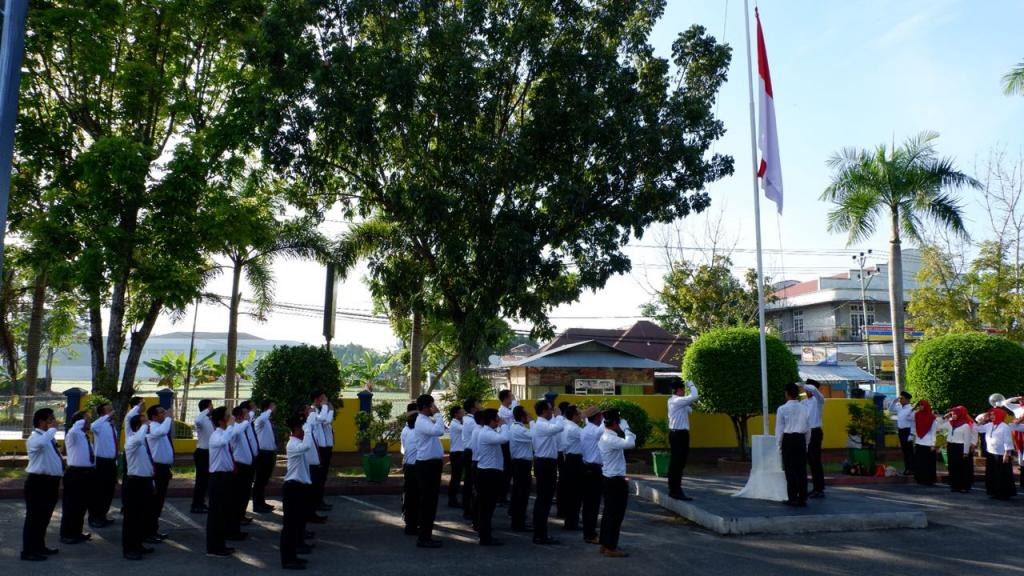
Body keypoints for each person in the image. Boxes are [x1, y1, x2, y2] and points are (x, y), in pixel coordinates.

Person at [21, 408, 63, 561]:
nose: (55, 422)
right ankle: (28, 551)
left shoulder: (48, 438)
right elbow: (40, 443)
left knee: (44, 518)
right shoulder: (34, 438)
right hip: (38, 483)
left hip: (50, 483)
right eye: (51, 419)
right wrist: (52, 430)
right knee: (34, 519)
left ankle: (39, 546)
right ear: (41, 422)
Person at [598, 409, 635, 558]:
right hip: (615, 481)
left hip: (609, 478)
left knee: (608, 513)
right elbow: (630, 443)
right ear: (614, 424)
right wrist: (626, 428)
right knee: (616, 515)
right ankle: (611, 547)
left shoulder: (604, 433)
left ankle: (605, 543)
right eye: (618, 422)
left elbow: (604, 421)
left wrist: (615, 421)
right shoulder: (610, 438)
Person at [281, 412, 315, 570]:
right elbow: (307, 446)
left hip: (298, 487)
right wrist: (308, 430)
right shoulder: (293, 444)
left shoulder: (296, 443)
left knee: (295, 524)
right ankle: (287, 560)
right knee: (289, 526)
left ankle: (293, 556)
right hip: (293, 487)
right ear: (296, 428)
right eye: (301, 427)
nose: (303, 429)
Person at [413, 394, 446, 548]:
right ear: (426, 407)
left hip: (431, 465)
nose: (434, 408)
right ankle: (424, 537)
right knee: (427, 502)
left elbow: (439, 430)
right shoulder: (422, 422)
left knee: (431, 502)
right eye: (432, 405)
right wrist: (438, 413)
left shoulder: (426, 421)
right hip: (426, 466)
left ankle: (427, 536)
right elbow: (439, 431)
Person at [123, 413, 155, 560]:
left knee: (142, 516)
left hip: (145, 482)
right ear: (137, 426)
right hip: (135, 483)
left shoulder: (142, 442)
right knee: (132, 518)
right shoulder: (131, 441)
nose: (148, 424)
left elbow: (146, 464)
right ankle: (130, 549)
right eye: (144, 423)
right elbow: (137, 437)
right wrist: (144, 425)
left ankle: (138, 544)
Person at [475, 408, 509, 546]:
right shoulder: (486, 433)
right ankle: (485, 537)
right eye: (497, 418)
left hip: (489, 472)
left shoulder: (488, 432)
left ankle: (486, 535)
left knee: (488, 507)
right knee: (487, 507)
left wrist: (501, 426)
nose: (499, 420)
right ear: (491, 420)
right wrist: (504, 425)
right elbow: (504, 439)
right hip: (488, 474)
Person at [206, 406, 236, 557]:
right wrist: (231, 426)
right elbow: (223, 442)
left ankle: (221, 545)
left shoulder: (225, 433)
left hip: (226, 477)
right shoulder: (216, 436)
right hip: (218, 478)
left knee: (223, 513)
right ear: (220, 420)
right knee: (216, 514)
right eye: (228, 416)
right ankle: (213, 548)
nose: (231, 417)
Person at [531, 400, 562, 545]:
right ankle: (540, 534)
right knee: (544, 500)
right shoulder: (541, 425)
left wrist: (556, 416)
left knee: (544, 499)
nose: (552, 412)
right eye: (550, 410)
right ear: (544, 411)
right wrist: (560, 415)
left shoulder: (544, 424)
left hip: (545, 463)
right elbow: (559, 427)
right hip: (545, 464)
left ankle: (540, 532)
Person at [61, 411, 94, 545]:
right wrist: (81, 420)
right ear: (79, 422)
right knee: (71, 506)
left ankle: (76, 532)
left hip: (86, 473)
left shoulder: (84, 436)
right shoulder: (73, 434)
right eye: (88, 419)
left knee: (81, 506)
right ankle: (67, 534)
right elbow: (75, 428)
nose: (90, 422)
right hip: (75, 474)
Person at [775, 383, 810, 506]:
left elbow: (779, 430)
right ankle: (803, 498)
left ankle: (792, 498)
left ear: (787, 394)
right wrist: (806, 444)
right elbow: (808, 428)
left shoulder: (782, 409)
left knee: (790, 471)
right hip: (800, 439)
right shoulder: (805, 408)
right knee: (801, 470)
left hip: (788, 441)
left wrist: (779, 446)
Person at [145, 405, 174, 543]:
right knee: (154, 502)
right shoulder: (154, 427)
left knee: (158, 501)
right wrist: (169, 418)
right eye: (162, 413)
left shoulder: (158, 426)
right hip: (157, 469)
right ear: (154, 416)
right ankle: (149, 532)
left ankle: (153, 530)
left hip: (163, 469)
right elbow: (163, 432)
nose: (165, 414)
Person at [227, 404, 256, 540]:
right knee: (237, 498)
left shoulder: (243, 427)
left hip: (247, 466)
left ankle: (239, 521)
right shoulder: (235, 428)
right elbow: (238, 429)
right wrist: (245, 420)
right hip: (240, 467)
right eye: (245, 414)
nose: (248, 415)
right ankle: (233, 529)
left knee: (244, 495)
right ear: (238, 416)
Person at [667, 380, 699, 501]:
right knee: (678, 463)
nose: (684, 391)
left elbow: (690, 410)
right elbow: (695, 396)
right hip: (678, 435)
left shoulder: (675, 401)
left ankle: (673, 489)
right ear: (678, 390)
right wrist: (691, 384)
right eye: (682, 389)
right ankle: (675, 490)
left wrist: (688, 402)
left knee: (678, 463)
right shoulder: (676, 400)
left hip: (679, 434)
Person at [89, 401, 118, 528]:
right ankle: (94, 518)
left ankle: (102, 515)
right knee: (98, 492)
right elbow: (92, 426)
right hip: (101, 462)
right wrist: (106, 417)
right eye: (109, 410)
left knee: (108, 491)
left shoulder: (110, 425)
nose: (112, 411)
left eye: (112, 409)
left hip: (111, 462)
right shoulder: (99, 425)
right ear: (102, 413)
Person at [976, 409, 1015, 500]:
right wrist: (982, 420)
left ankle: (1003, 493)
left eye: (994, 415)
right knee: (992, 473)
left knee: (1001, 474)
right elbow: (977, 428)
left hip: (1001, 454)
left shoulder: (1004, 427)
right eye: (991, 415)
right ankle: (994, 491)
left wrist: (1006, 454)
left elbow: (1007, 441)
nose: (992, 417)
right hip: (991, 452)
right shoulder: (989, 425)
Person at [580, 406, 604, 545]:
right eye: (600, 415)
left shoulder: (587, 429)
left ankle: (589, 533)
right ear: (597, 416)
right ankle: (590, 534)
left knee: (590, 504)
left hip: (589, 468)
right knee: (592, 505)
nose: (602, 418)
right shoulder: (594, 431)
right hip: (593, 469)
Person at [508, 405, 534, 532]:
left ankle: (519, 520)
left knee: (520, 493)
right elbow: (534, 436)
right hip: (521, 464)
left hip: (521, 464)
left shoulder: (518, 427)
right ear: (522, 416)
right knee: (521, 494)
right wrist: (532, 421)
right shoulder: (519, 429)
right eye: (526, 414)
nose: (528, 416)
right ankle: (518, 523)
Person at [309, 392, 335, 512]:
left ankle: (319, 501)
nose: (326, 400)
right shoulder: (312, 411)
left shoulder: (318, 411)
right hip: (318, 448)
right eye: (323, 398)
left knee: (322, 477)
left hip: (324, 448)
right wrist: (326, 407)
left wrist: (330, 410)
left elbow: (327, 420)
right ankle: (315, 502)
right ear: (317, 399)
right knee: (318, 478)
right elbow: (323, 419)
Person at [941, 406, 976, 493]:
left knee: (962, 467)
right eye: (952, 413)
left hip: (960, 447)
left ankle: (963, 486)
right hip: (951, 446)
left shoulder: (966, 425)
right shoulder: (950, 423)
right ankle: (954, 485)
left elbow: (967, 440)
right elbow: (938, 427)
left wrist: (965, 452)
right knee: (952, 466)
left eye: (955, 413)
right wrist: (944, 417)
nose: (953, 415)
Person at [560, 405, 584, 530]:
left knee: (570, 492)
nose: (581, 416)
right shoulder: (574, 429)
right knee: (575, 493)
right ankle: (572, 521)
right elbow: (588, 437)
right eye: (579, 414)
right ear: (574, 416)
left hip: (568, 459)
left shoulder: (565, 425)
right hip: (575, 460)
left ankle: (571, 520)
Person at [802, 380, 826, 498]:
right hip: (806, 433)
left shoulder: (819, 400)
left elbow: (815, 391)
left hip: (815, 432)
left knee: (815, 461)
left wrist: (802, 384)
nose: (806, 391)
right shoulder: (804, 402)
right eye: (805, 389)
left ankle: (819, 489)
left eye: (808, 389)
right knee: (810, 462)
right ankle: (815, 487)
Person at [253, 400, 277, 514]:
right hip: (263, 454)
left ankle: (261, 502)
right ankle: (257, 505)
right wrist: (269, 410)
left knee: (264, 480)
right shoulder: (260, 420)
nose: (275, 408)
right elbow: (262, 418)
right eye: (273, 406)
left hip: (269, 453)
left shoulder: (267, 420)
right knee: (260, 480)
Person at [400, 403, 419, 536]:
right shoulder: (413, 431)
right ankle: (411, 522)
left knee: (410, 494)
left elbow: (403, 449)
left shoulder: (406, 430)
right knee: (413, 496)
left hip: (409, 464)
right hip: (414, 466)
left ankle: (409, 518)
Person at [191, 399, 214, 513]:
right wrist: (206, 411)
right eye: (211, 405)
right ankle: (196, 505)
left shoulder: (210, 419)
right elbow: (197, 420)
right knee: (201, 481)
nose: (213, 407)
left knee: (205, 482)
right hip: (202, 453)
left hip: (210, 453)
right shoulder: (202, 419)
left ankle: (201, 503)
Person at [912, 400, 940, 486]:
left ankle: (929, 480)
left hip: (928, 444)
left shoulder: (932, 418)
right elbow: (915, 427)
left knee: (928, 463)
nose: (920, 407)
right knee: (919, 462)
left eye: (922, 405)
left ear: (926, 406)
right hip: (919, 442)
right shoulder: (917, 415)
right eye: (919, 405)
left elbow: (934, 432)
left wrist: (933, 444)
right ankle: (920, 479)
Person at [461, 399, 480, 521]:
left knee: (470, 482)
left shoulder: (469, 420)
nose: (480, 405)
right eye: (478, 403)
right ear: (473, 408)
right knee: (470, 483)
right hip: (470, 453)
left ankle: (468, 509)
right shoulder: (471, 422)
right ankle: (468, 510)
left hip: (470, 452)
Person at [497, 390, 517, 504]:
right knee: (507, 470)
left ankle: (503, 495)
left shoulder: (507, 410)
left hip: (510, 442)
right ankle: (502, 496)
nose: (513, 398)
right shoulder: (502, 411)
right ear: (505, 398)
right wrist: (514, 402)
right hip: (505, 443)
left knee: (508, 470)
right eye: (511, 396)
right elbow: (514, 413)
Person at [889, 391, 915, 475]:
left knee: (909, 451)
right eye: (900, 398)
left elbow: (913, 423)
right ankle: (907, 468)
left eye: (902, 398)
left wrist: (911, 434)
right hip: (901, 431)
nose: (900, 400)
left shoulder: (911, 409)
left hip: (908, 431)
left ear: (907, 399)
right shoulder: (899, 407)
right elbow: (890, 409)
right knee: (904, 451)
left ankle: (911, 469)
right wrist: (894, 401)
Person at [447, 405, 465, 508]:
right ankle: (452, 499)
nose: (463, 413)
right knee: (456, 477)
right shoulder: (455, 424)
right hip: (456, 453)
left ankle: (453, 499)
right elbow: (466, 429)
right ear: (455, 414)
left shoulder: (458, 423)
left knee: (457, 477)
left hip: (458, 453)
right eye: (461, 412)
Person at [554, 401, 569, 519]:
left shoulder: (554, 421)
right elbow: (565, 443)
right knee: (564, 483)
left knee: (560, 482)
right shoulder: (564, 423)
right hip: (563, 454)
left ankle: (560, 508)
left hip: (556, 453)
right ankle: (562, 509)